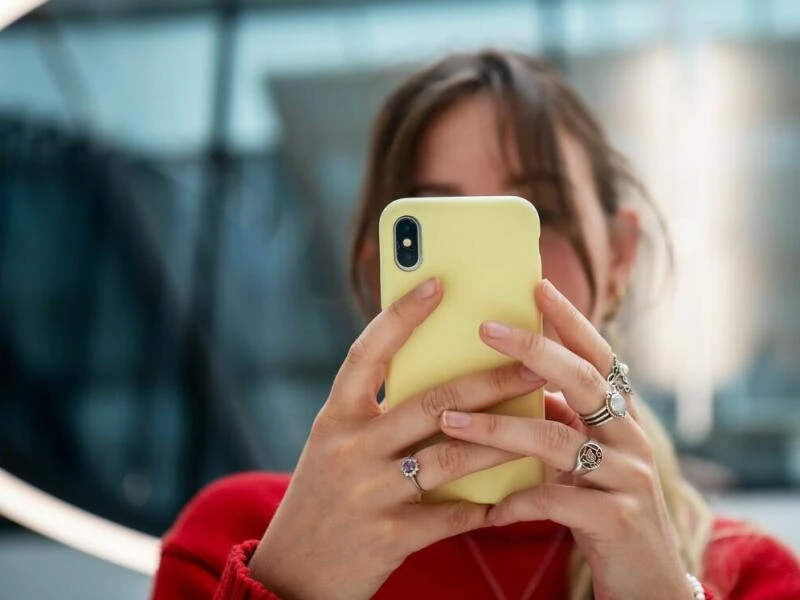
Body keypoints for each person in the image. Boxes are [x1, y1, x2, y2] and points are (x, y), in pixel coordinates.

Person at [151, 50, 800, 600]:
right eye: (441, 225)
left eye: (536, 211)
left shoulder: (750, 577)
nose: (499, 278)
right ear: (381, 274)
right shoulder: (237, 540)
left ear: (621, 257)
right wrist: (290, 585)